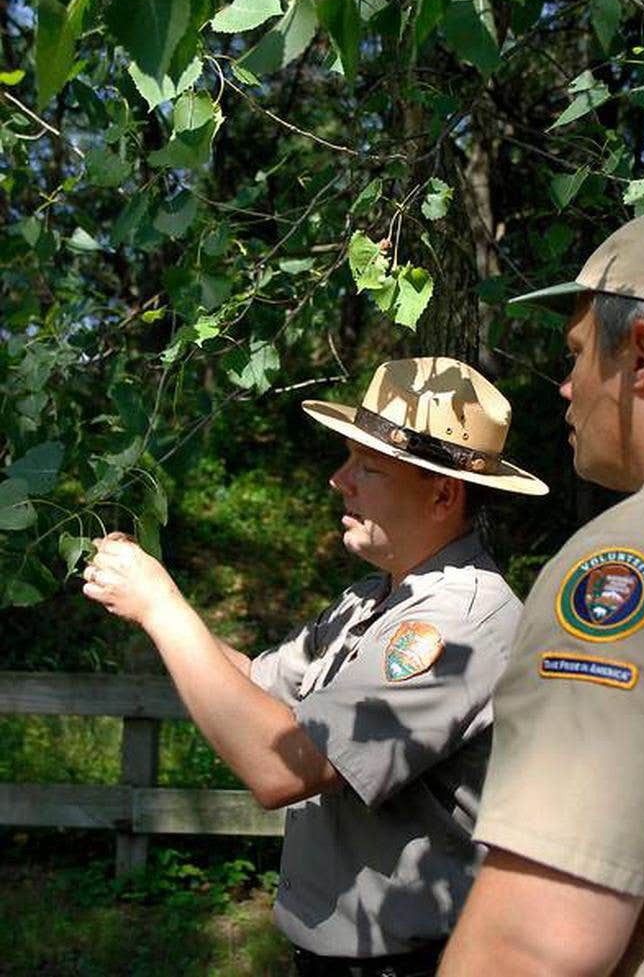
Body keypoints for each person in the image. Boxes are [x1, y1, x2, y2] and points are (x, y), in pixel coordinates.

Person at [82, 356, 547, 977]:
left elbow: (281, 767)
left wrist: (163, 608)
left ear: (442, 492)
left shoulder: (459, 624)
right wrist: (153, 608)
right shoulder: (374, 597)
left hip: (410, 964)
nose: (339, 479)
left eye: (368, 467)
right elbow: (251, 683)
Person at [438, 203, 644, 977]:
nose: (564, 385)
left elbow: (531, 946)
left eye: (579, 352)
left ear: (643, 356)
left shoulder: (636, 559)